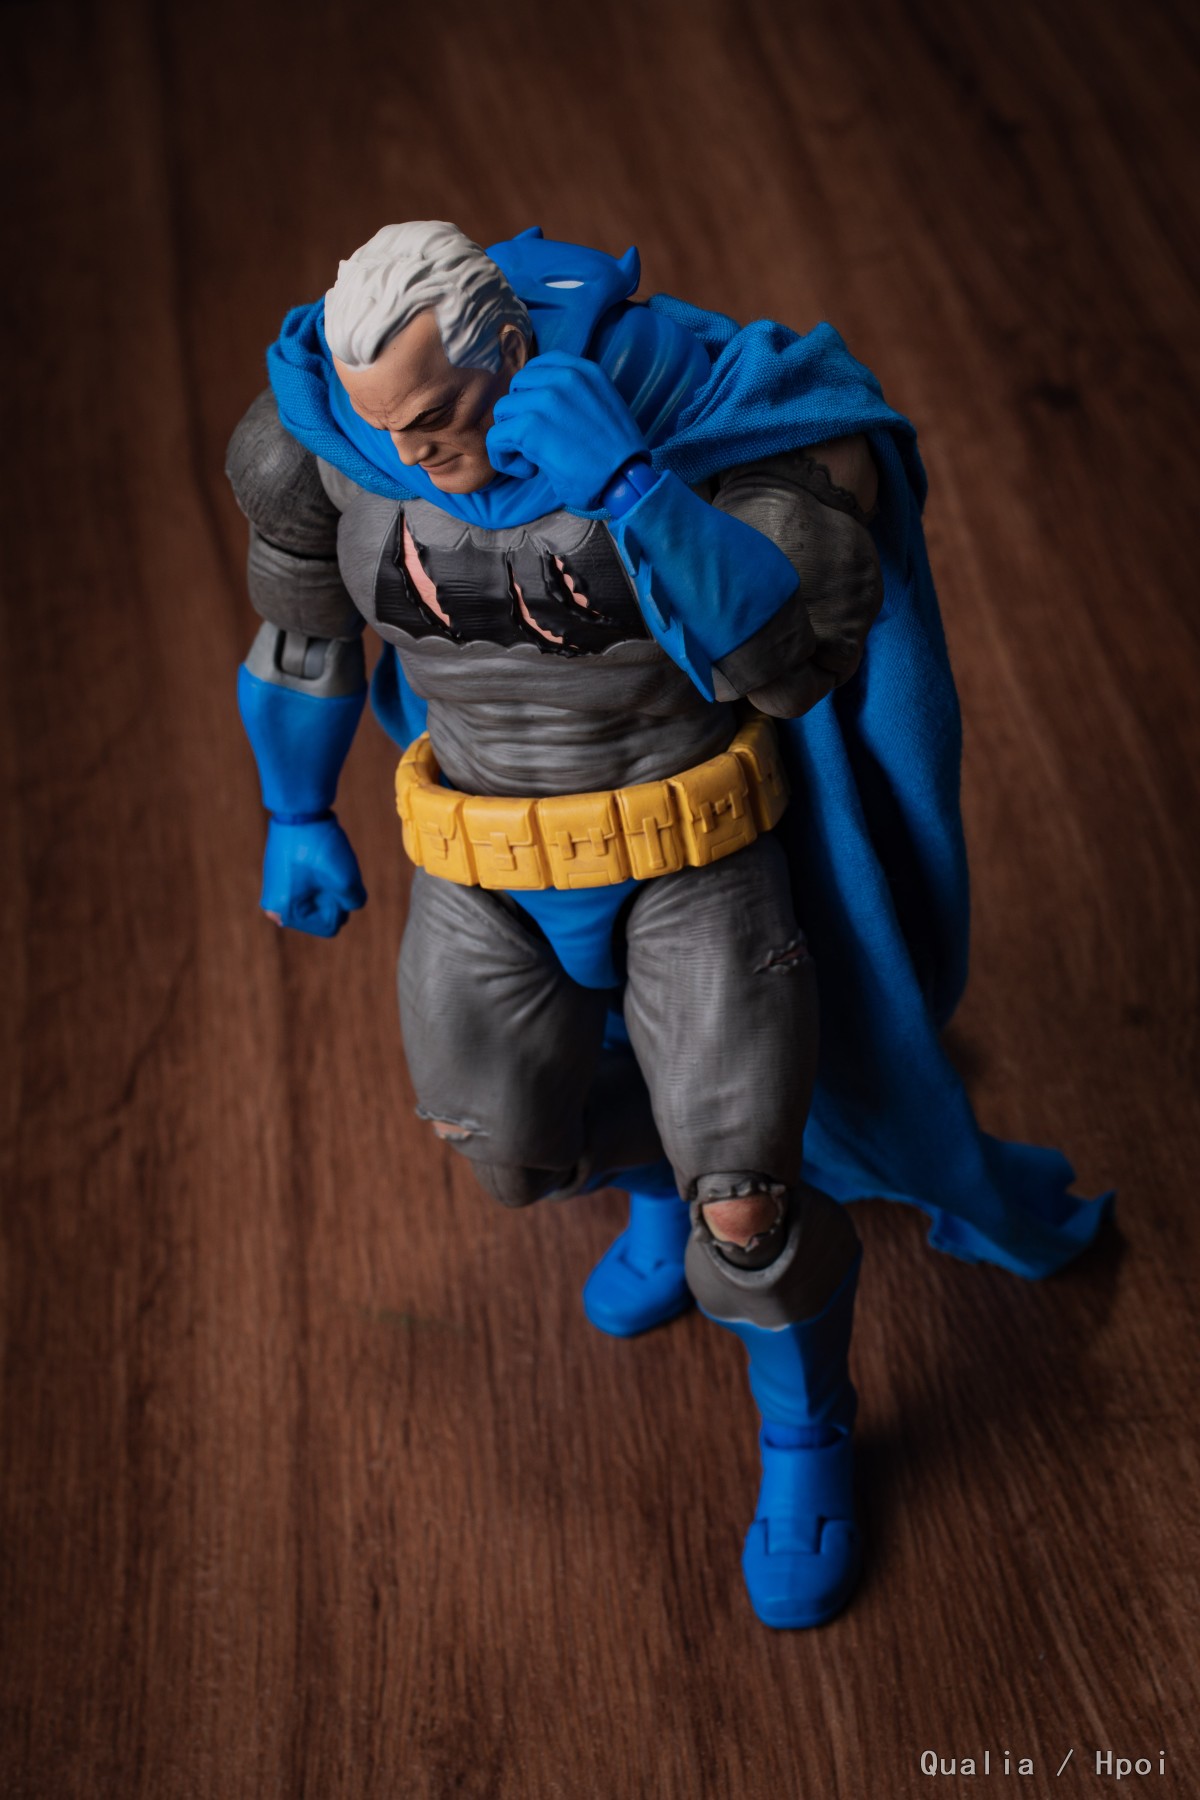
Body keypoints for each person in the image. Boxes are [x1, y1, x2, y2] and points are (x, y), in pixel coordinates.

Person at [227, 221, 1109, 1629]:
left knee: (749, 1209)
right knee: (507, 1149)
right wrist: (293, 809)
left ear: (511, 351)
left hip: (692, 846)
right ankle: (665, 1183)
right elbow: (301, 642)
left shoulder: (700, 415)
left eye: (441, 416)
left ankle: (805, 1429)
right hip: (479, 862)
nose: (419, 454)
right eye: (387, 424)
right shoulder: (323, 445)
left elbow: (790, 665)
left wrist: (634, 486)